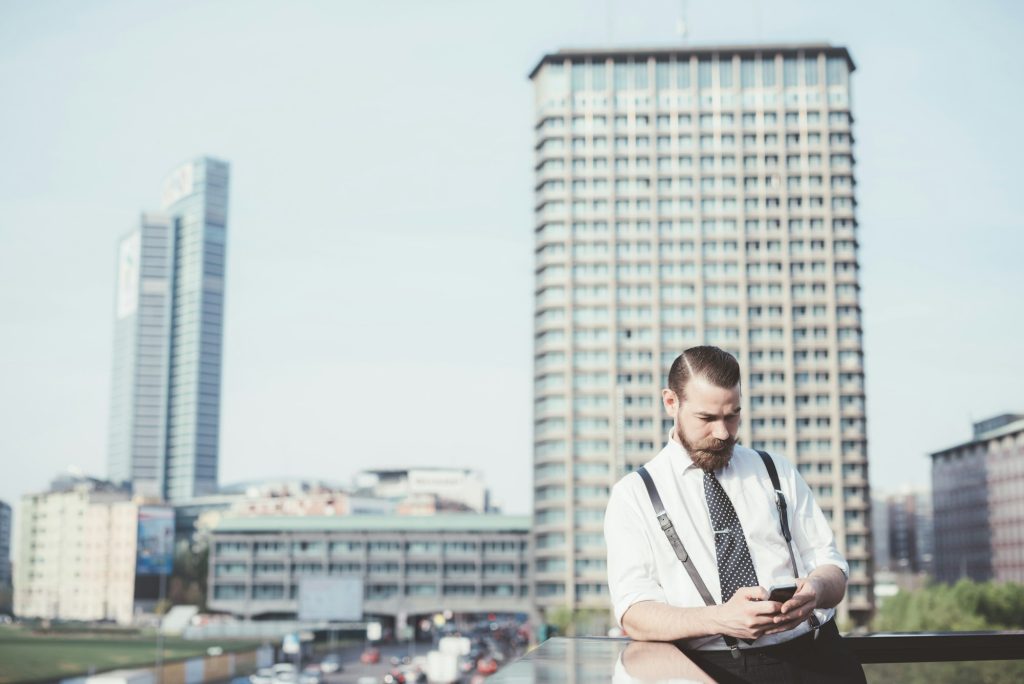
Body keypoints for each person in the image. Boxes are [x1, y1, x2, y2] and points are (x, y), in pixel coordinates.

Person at [604, 345, 865, 683]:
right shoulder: (634, 495)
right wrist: (720, 619)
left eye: (733, 415)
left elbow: (834, 569)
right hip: (714, 670)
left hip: (821, 659)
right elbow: (634, 613)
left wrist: (813, 589)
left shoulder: (776, 469)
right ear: (671, 402)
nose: (723, 432)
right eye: (707, 418)